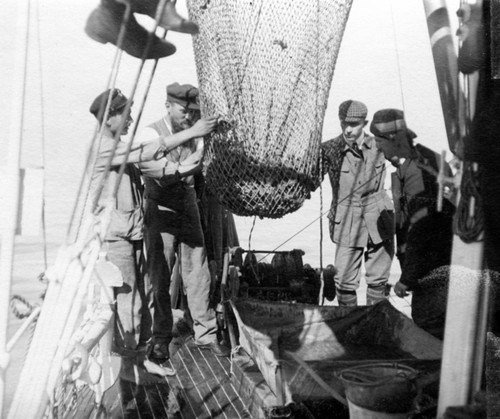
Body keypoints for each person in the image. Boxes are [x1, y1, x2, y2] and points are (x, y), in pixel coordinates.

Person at [88, 87, 217, 377]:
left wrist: (200, 154)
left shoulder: (119, 145)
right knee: (128, 301)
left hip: (133, 232)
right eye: (126, 113)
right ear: (109, 117)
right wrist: (192, 132)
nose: (131, 118)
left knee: (142, 295)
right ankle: (128, 370)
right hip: (117, 238)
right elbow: (148, 151)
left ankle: (141, 357)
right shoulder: (105, 148)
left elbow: (157, 167)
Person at [137, 82, 230, 369]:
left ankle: (206, 333)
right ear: (167, 106)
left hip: (188, 204)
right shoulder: (150, 132)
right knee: (160, 275)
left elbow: (196, 160)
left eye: (193, 112)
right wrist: (189, 160)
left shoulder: (197, 133)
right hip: (160, 207)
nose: (189, 117)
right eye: (183, 111)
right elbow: (159, 169)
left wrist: (190, 160)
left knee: (198, 271)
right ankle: (161, 338)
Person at [370, 108, 455, 339]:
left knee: (430, 326)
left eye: (379, 141)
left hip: (432, 271)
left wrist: (407, 277)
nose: (377, 147)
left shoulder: (416, 174)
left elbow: (421, 228)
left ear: (394, 140)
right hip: (443, 264)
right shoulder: (427, 158)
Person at [320, 100, 395, 306]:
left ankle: (376, 323)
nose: (349, 129)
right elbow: (309, 179)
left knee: (379, 280)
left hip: (379, 217)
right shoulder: (329, 150)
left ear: (365, 123)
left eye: (355, 124)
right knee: (344, 281)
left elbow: (406, 163)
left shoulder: (380, 146)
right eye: (345, 124)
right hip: (346, 220)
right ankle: (350, 328)